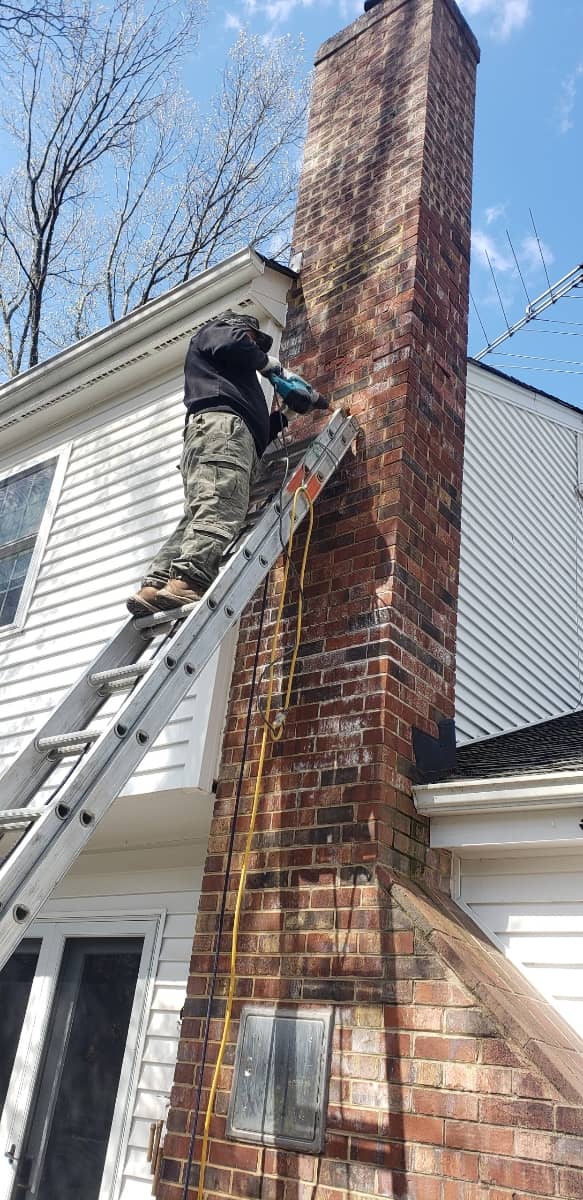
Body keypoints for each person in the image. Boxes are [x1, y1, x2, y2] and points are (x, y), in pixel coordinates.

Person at [126, 310, 288, 618]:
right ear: (237, 330)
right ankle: (188, 580)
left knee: (197, 515)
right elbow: (232, 341)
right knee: (219, 507)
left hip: (218, 436)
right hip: (222, 433)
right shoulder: (217, 332)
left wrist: (284, 416)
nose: (253, 346)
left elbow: (252, 435)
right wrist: (268, 364)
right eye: (252, 339)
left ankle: (155, 586)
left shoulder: (227, 378)